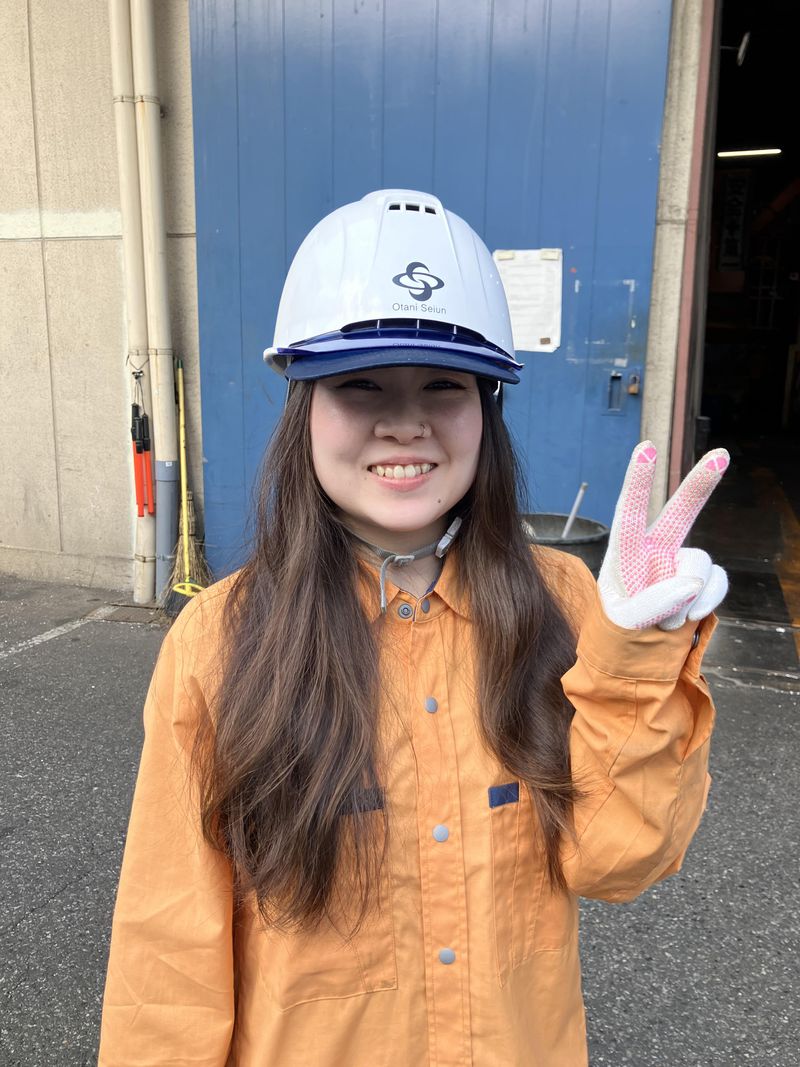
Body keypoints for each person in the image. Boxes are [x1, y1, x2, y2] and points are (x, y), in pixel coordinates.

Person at [98, 189, 729, 1066]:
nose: (405, 421)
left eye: (444, 383)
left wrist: (634, 660)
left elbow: (614, 862)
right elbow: (167, 956)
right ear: (303, 405)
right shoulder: (218, 642)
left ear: (487, 408)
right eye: (360, 383)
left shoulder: (564, 602)